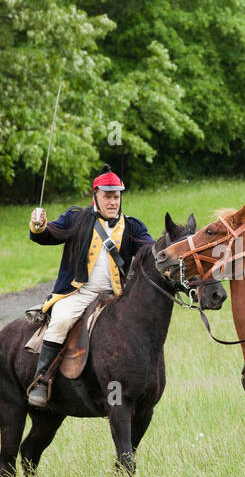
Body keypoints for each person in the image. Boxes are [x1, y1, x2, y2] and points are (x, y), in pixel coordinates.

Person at [26, 167, 154, 406]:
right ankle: (42, 379)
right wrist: (39, 225)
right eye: (107, 196)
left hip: (116, 296)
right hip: (79, 293)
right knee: (61, 320)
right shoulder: (76, 218)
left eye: (116, 196)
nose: (113, 201)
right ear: (94, 195)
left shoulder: (133, 227)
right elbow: (48, 235)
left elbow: (152, 251)